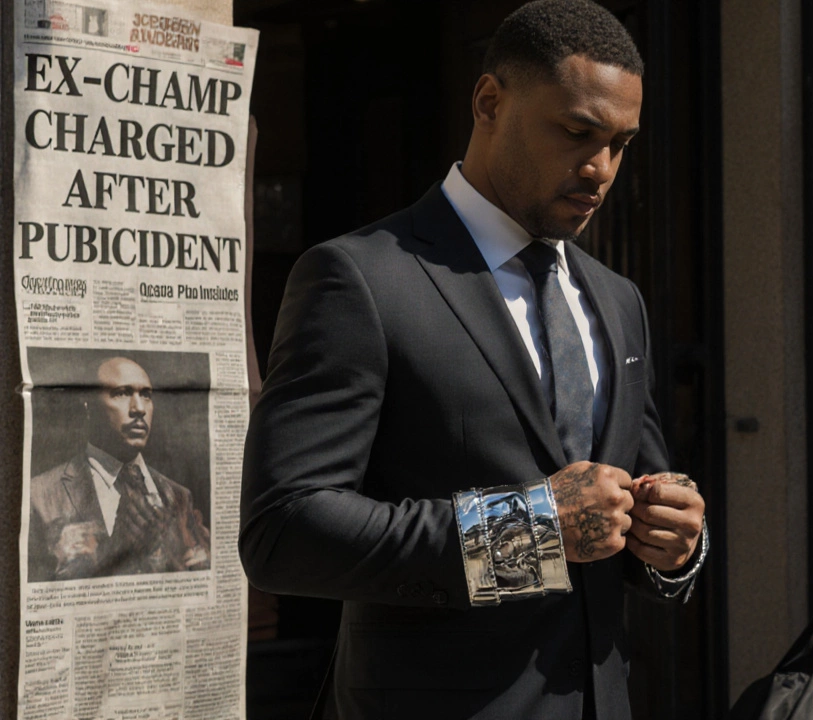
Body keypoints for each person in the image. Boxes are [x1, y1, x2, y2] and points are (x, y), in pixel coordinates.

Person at [237, 2, 707, 719]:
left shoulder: (617, 301)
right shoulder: (361, 278)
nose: (600, 169)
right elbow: (284, 533)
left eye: (621, 143)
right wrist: (533, 532)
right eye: (577, 132)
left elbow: (618, 514)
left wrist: (670, 544)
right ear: (490, 101)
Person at [28, 356, 211, 582]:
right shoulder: (39, 494)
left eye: (146, 395)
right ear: (88, 405)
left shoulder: (179, 496)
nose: (139, 409)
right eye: (122, 393)